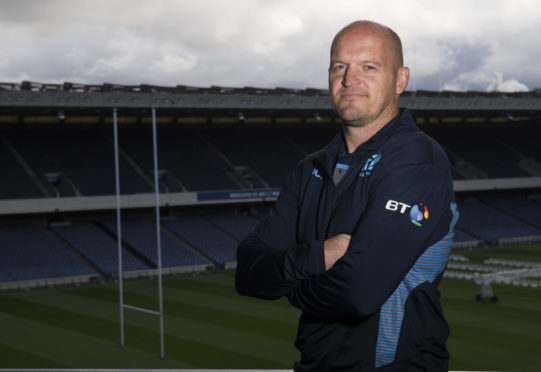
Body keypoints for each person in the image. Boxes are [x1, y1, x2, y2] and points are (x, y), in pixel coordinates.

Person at [235, 20, 459, 371]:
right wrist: (316, 256)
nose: (349, 79)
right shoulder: (311, 168)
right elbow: (247, 273)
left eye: (369, 67)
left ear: (401, 80)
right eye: (340, 66)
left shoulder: (417, 160)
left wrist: (290, 288)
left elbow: (358, 293)